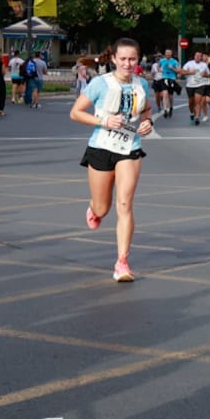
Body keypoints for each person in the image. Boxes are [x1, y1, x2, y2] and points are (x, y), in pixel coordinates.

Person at [70, 39, 155, 282]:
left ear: (138, 61)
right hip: (101, 147)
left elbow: (147, 110)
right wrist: (104, 121)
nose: (128, 64)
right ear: (114, 59)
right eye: (124, 59)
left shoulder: (141, 85)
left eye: (133, 59)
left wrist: (148, 122)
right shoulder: (100, 84)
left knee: (125, 204)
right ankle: (94, 209)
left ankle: (122, 262)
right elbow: (75, 113)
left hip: (129, 148)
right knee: (103, 208)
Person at [180, 50, 210, 125]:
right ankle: (192, 113)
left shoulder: (204, 65)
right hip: (190, 85)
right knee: (191, 102)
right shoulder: (189, 63)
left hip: (200, 85)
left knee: (198, 101)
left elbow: (209, 74)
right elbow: (182, 72)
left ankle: (197, 117)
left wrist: (204, 75)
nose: (197, 57)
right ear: (194, 56)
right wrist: (189, 72)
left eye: (199, 56)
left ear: (201, 57)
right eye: (196, 56)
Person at [153, 49, 180, 117]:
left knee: (170, 96)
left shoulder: (174, 61)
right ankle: (165, 109)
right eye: (166, 53)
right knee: (165, 93)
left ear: (171, 54)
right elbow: (158, 66)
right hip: (164, 78)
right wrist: (160, 69)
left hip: (172, 79)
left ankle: (171, 107)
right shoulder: (162, 61)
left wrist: (172, 68)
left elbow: (178, 71)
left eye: (169, 53)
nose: (167, 54)